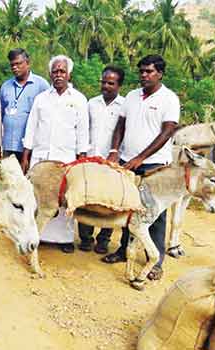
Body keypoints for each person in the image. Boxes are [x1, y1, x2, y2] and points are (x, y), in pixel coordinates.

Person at [102, 55, 180, 282]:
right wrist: (115, 151)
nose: (144, 75)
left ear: (160, 73)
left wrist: (141, 157)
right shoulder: (132, 97)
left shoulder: (169, 99)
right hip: (127, 161)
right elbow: (121, 125)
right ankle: (123, 250)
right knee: (128, 208)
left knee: (155, 213)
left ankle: (154, 261)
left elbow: (167, 132)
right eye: (142, 72)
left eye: (149, 71)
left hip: (155, 165)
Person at [22, 55, 89, 253]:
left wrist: (82, 158)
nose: (58, 75)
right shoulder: (41, 98)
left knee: (64, 199)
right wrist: (26, 156)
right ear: (50, 74)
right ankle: (37, 235)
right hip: (41, 157)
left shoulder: (78, 99)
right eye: (55, 71)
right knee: (38, 198)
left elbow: (83, 131)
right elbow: (31, 127)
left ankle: (64, 239)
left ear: (69, 74)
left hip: (66, 159)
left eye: (62, 71)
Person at [78, 66, 126, 254]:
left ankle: (104, 239)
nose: (105, 86)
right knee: (87, 198)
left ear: (119, 85)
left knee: (110, 202)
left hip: (113, 162)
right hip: (90, 159)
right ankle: (85, 237)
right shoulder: (91, 103)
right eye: (103, 82)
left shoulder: (124, 106)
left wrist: (115, 155)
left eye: (110, 83)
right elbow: (84, 129)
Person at [0, 48, 50, 165]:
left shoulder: (41, 85)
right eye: (12, 65)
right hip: (8, 145)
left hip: (30, 147)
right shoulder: (6, 86)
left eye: (18, 64)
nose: (15, 67)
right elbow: (1, 115)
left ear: (28, 63)